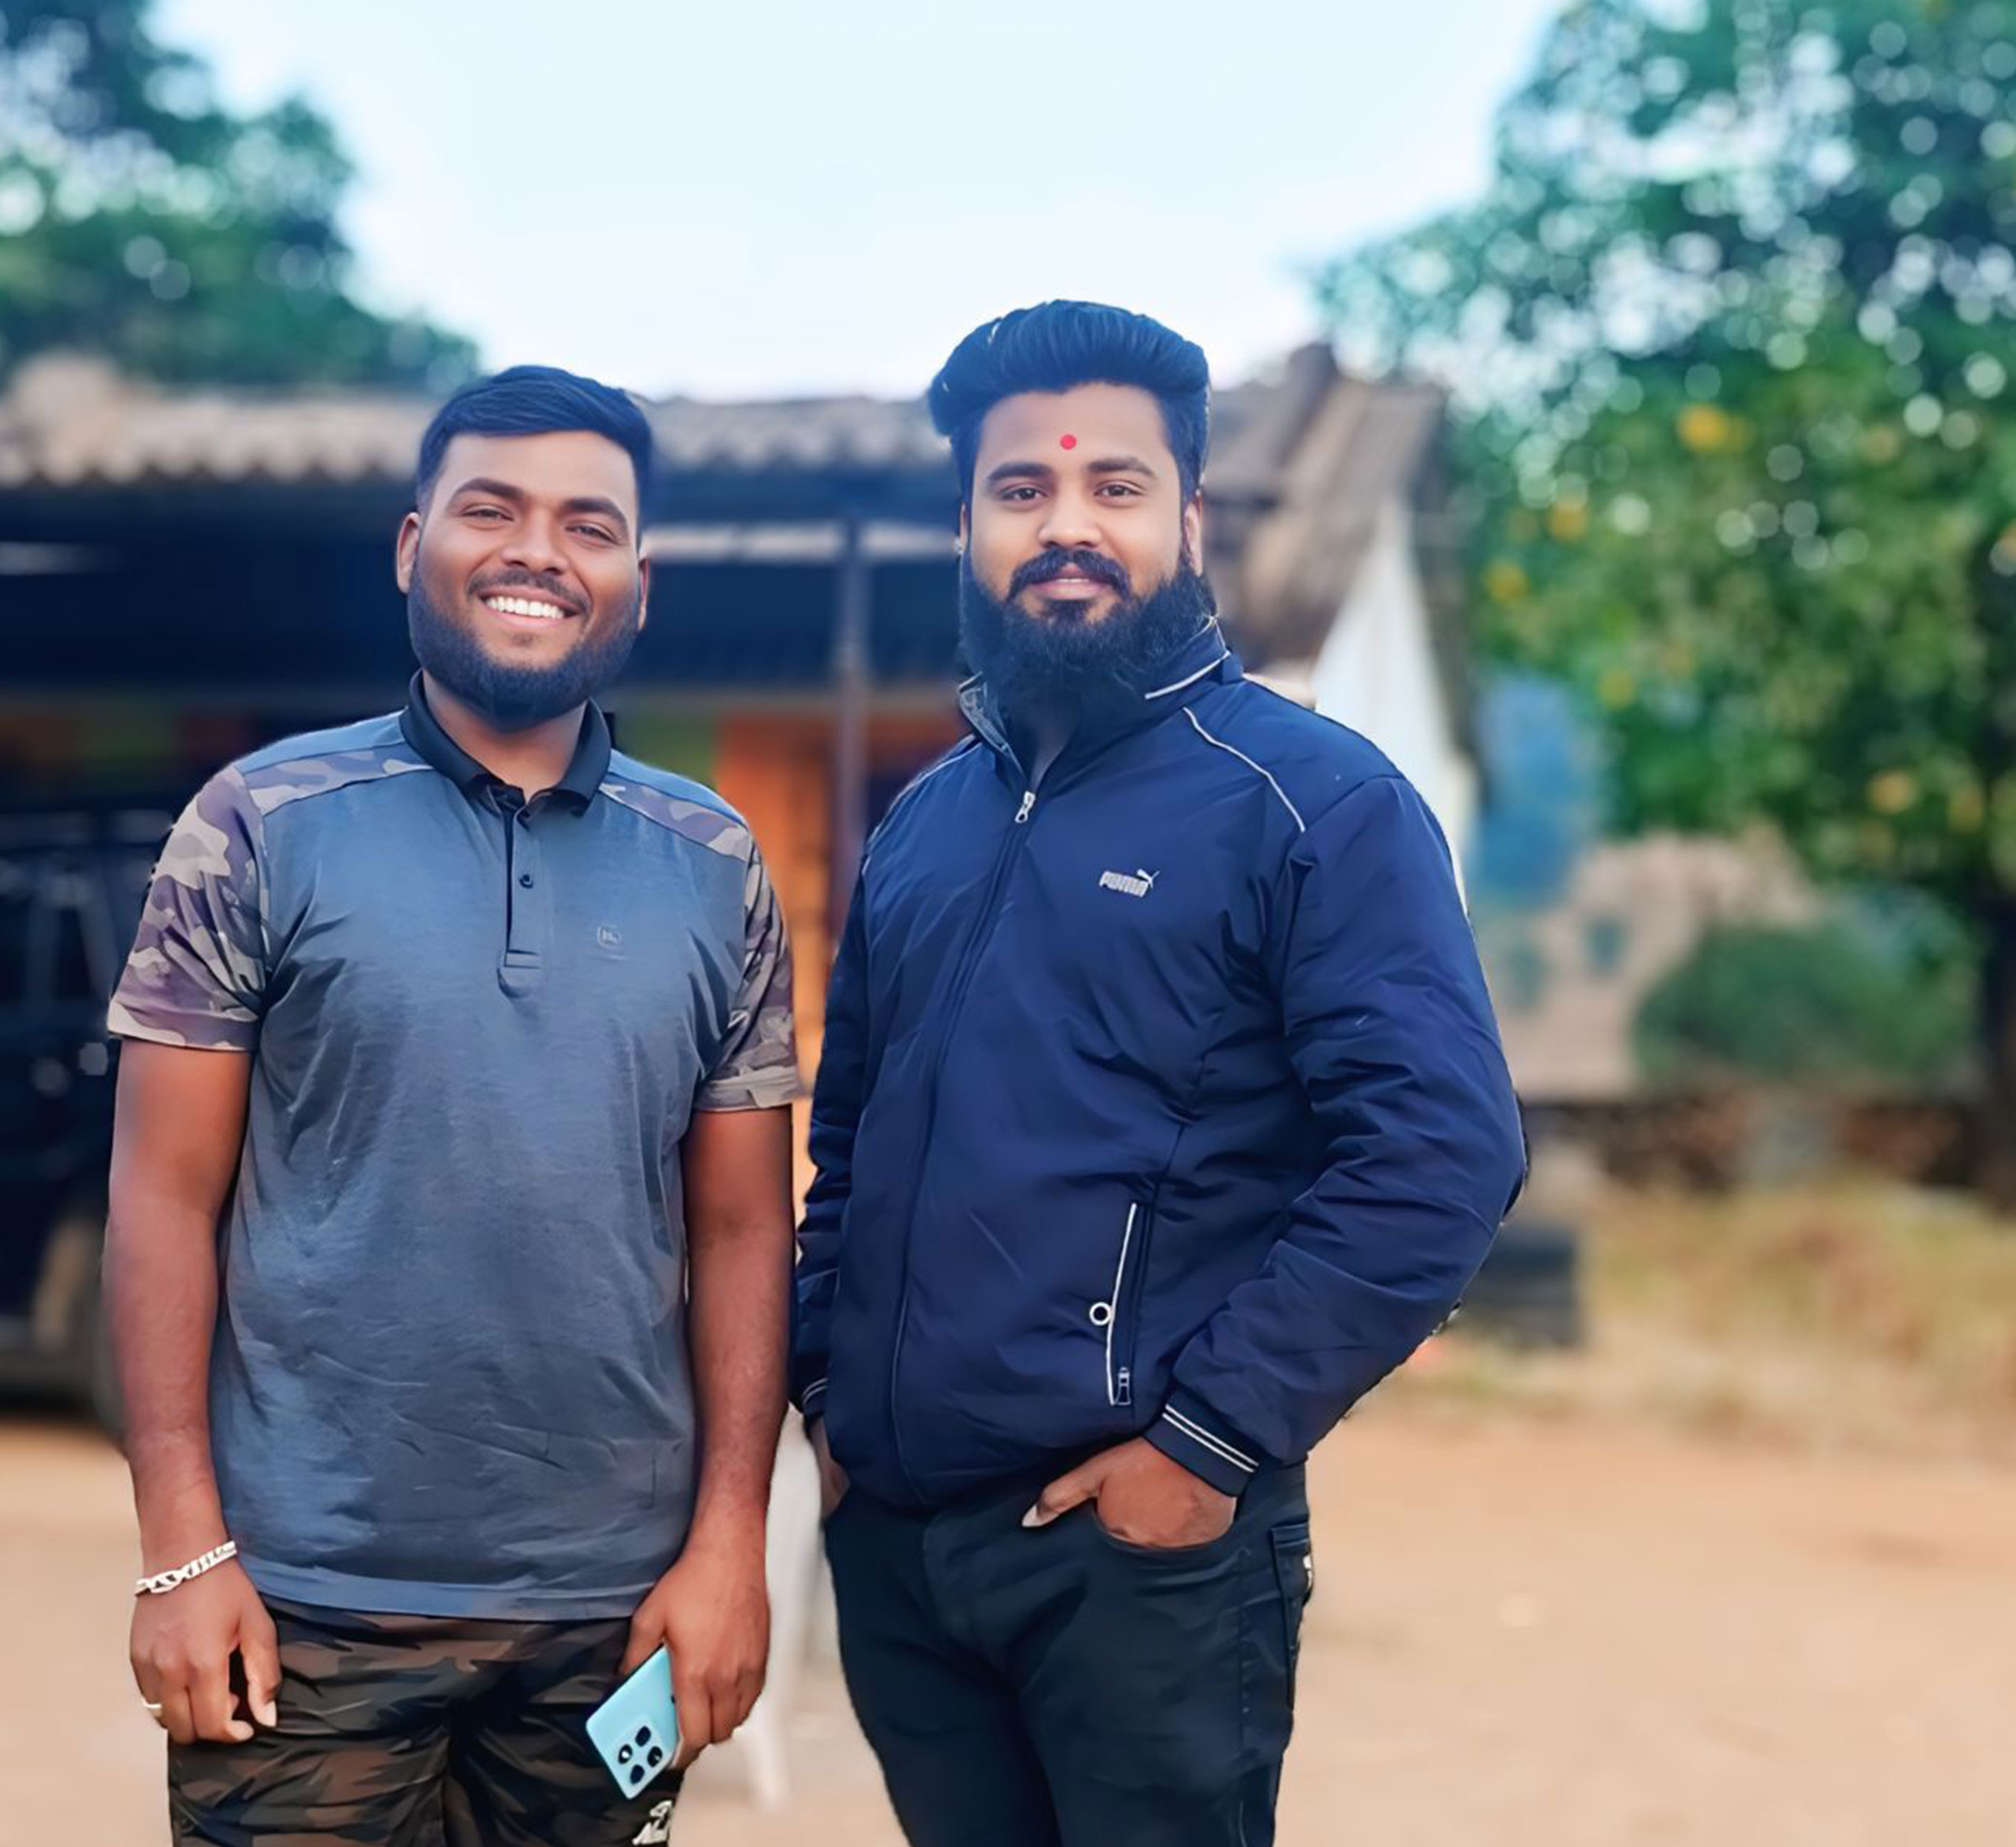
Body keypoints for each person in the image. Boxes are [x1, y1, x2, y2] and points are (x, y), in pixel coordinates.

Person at [793, 301, 1526, 1845]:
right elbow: (848, 1139)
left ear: (1188, 519)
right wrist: (824, 1392)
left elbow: (1440, 1156)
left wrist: (1208, 1444)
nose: (1067, 525)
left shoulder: (1313, 802)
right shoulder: (925, 823)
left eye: (1113, 486)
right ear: (969, 529)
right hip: (905, 1556)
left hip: (1137, 1559)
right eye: (1022, 490)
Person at [105, 365, 802, 1846]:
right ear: (414, 546)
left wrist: (729, 1543)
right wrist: (181, 1549)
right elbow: (163, 1196)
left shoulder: (718, 861)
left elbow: (745, 1230)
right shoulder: (257, 824)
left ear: (640, 578)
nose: (538, 550)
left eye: (588, 524)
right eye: (493, 509)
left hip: (610, 1620)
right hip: (304, 1610)